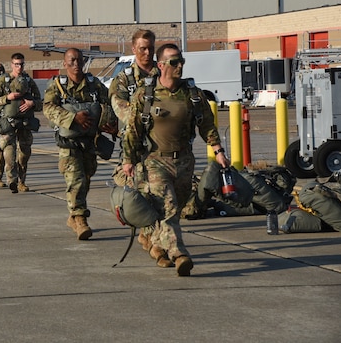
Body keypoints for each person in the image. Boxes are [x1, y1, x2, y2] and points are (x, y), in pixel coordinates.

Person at [122, 43, 230, 276]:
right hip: (155, 160)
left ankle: (156, 244)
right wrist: (128, 159)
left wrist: (219, 151)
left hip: (184, 161)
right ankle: (179, 254)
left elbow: (207, 125)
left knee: (175, 208)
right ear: (161, 65)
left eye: (181, 61)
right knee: (169, 206)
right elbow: (133, 130)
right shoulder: (145, 94)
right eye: (173, 62)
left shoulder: (192, 94)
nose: (179, 65)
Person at [43, 48, 116, 240]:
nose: (76, 64)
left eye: (79, 61)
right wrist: (72, 117)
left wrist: (111, 123)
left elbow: (110, 102)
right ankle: (80, 218)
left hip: (90, 143)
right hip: (69, 144)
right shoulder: (58, 85)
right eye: (72, 61)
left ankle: (73, 217)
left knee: (86, 179)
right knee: (76, 181)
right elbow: (48, 108)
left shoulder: (94, 85)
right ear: (65, 64)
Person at [109, 29, 160, 251]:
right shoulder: (122, 80)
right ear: (133, 49)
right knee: (140, 191)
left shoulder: (164, 75)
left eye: (150, 48)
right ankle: (149, 236)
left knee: (160, 193)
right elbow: (121, 109)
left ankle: (152, 236)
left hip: (161, 145)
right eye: (142, 49)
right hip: (134, 146)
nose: (147, 53)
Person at [0, 53, 42, 193]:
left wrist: (32, 103)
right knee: (9, 153)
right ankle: (11, 180)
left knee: (24, 154)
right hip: (8, 122)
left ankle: (22, 181)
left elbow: (41, 102)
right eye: (16, 64)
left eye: (21, 64)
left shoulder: (28, 81)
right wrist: (7, 97)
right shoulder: (3, 80)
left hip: (25, 123)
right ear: (11, 65)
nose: (19, 67)